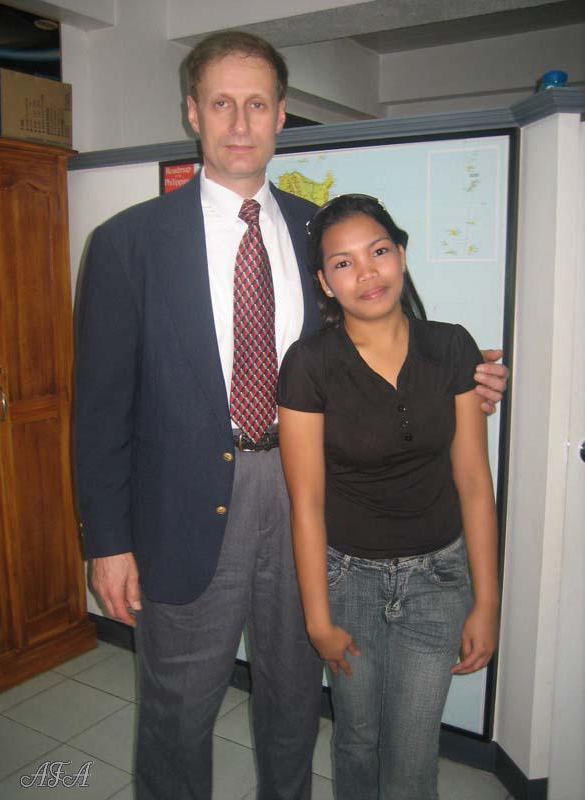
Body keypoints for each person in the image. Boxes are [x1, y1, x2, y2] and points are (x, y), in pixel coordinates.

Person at [74, 32, 507, 800]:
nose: (240, 123)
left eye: (257, 104)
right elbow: (100, 408)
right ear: (193, 113)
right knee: (177, 715)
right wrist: (108, 543)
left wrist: (462, 381)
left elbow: (381, 340)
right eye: (221, 103)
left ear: (280, 116)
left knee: (294, 701)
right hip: (181, 511)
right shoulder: (128, 243)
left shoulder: (318, 233)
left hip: (310, 501)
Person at [278, 194, 500, 800]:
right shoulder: (308, 364)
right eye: (343, 263)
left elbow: (474, 483)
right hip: (347, 580)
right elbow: (307, 502)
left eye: (378, 252)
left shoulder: (451, 347)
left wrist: (487, 601)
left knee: (411, 752)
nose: (367, 273)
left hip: (438, 580)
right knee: (356, 736)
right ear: (324, 283)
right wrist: (318, 620)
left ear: (400, 255)